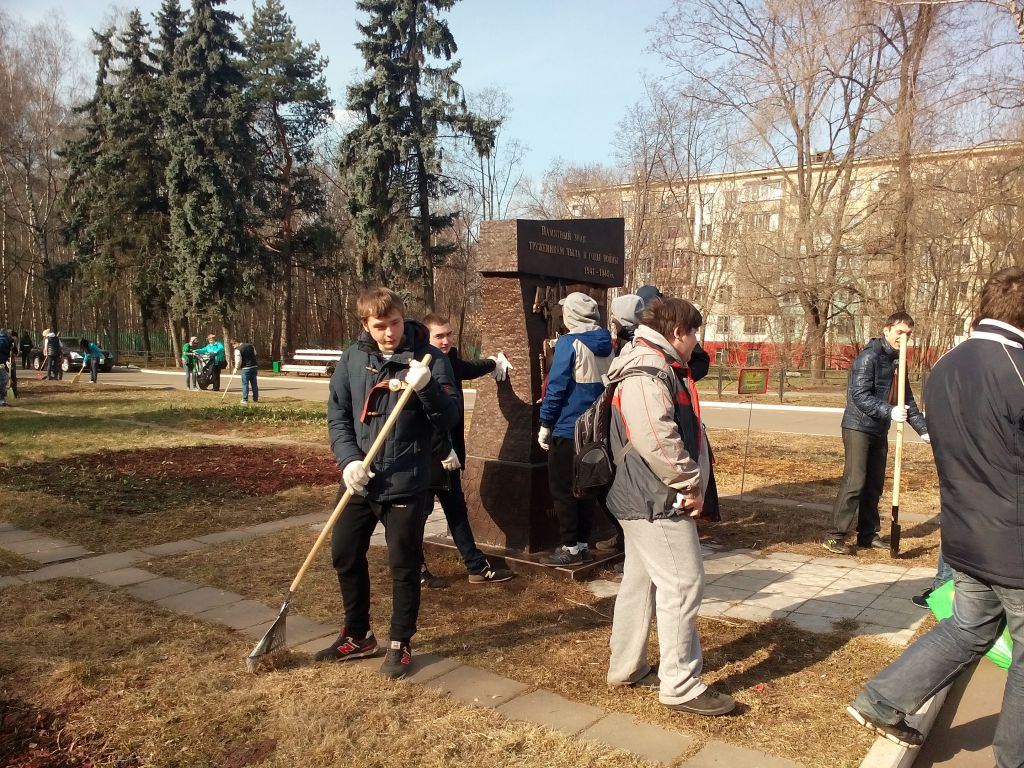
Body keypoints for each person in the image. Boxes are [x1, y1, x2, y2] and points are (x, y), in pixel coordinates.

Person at [847, 268, 1024, 762]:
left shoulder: (947, 364)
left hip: (964, 533)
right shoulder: (1016, 366)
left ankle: (883, 699)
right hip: (1013, 538)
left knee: (969, 628)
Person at [316, 287, 459, 679]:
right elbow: (339, 415)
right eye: (379, 326)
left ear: (402, 317)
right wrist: (348, 461)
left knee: (403, 563)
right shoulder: (353, 357)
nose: (389, 333)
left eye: (394, 323)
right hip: (362, 480)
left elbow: (449, 418)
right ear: (365, 325)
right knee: (344, 553)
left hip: (406, 480)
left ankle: (400, 641)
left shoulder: (427, 357)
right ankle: (359, 634)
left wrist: (427, 386)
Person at [604, 297, 735, 716]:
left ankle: (626, 667)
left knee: (640, 584)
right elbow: (655, 437)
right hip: (656, 498)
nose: (697, 342)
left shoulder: (649, 362)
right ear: (677, 331)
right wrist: (689, 481)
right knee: (683, 584)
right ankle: (679, 684)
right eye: (694, 332)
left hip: (643, 495)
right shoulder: (647, 369)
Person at [418, 313, 514, 587]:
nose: (446, 340)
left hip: (449, 458)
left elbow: (468, 368)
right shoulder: (420, 368)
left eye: (449, 334)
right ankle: (416, 570)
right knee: (418, 517)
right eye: (440, 336)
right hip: (427, 457)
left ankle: (475, 565)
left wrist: (493, 363)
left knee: (457, 510)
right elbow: (427, 417)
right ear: (426, 337)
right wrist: (443, 448)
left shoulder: (446, 361)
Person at [823, 312, 928, 555]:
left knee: (874, 484)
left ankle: (867, 535)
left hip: (879, 428)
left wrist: (924, 431)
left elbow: (907, 400)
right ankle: (834, 536)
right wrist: (889, 411)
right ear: (887, 330)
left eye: (908, 334)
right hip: (858, 427)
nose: (904, 338)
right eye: (899, 332)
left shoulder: (898, 361)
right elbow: (858, 395)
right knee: (855, 481)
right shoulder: (868, 357)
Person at [537, 291, 613, 566]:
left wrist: (545, 423)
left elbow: (556, 387)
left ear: (571, 316)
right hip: (596, 429)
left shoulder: (570, 343)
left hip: (568, 428)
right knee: (587, 489)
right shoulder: (608, 343)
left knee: (563, 491)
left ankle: (569, 549)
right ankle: (582, 544)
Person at [230, 337, 259, 404]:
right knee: (254, 384)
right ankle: (255, 399)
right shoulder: (250, 345)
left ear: (236, 343)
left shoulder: (238, 350)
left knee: (245, 384)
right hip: (254, 366)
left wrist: (236, 368)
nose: (233, 347)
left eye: (233, 345)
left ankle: (245, 399)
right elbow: (255, 353)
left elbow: (238, 361)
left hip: (246, 368)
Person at [0, 328, 12, 406]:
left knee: (3, 379)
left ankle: (2, 399)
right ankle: (1, 399)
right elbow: (5, 352)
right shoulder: (4, 340)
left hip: (2, 362)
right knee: (3, 379)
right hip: (1, 363)